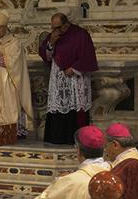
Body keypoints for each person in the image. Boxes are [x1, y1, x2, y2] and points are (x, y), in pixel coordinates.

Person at [39, 12, 98, 144]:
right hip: (58, 78)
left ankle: (76, 139)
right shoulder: (53, 36)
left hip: (75, 79)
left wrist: (74, 68)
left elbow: (87, 56)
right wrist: (51, 43)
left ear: (66, 24)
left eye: (58, 27)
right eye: (52, 28)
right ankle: (57, 138)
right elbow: (46, 56)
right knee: (58, 106)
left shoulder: (81, 34)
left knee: (75, 107)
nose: (55, 31)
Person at [0, 10, 33, 137]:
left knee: (10, 106)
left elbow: (16, 62)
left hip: (9, 81)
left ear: (5, 27)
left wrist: (3, 57)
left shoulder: (14, 43)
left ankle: (11, 133)